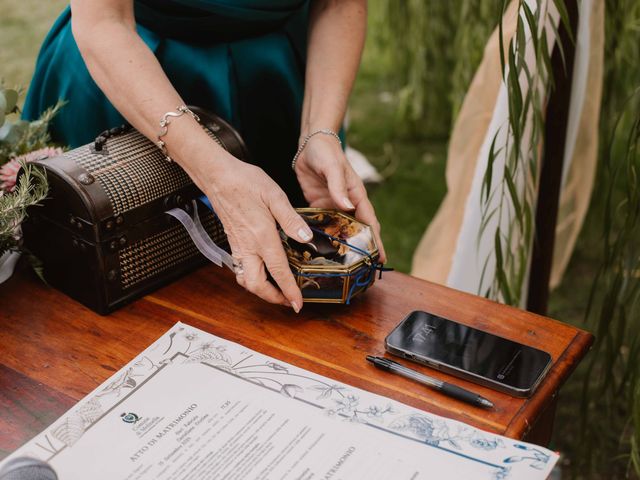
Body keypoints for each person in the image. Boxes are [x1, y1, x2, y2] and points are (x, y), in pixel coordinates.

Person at [23, 0, 386, 312]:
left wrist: (319, 130)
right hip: (134, 77)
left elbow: (339, 3)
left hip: (274, 83)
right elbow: (104, 21)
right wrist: (216, 173)